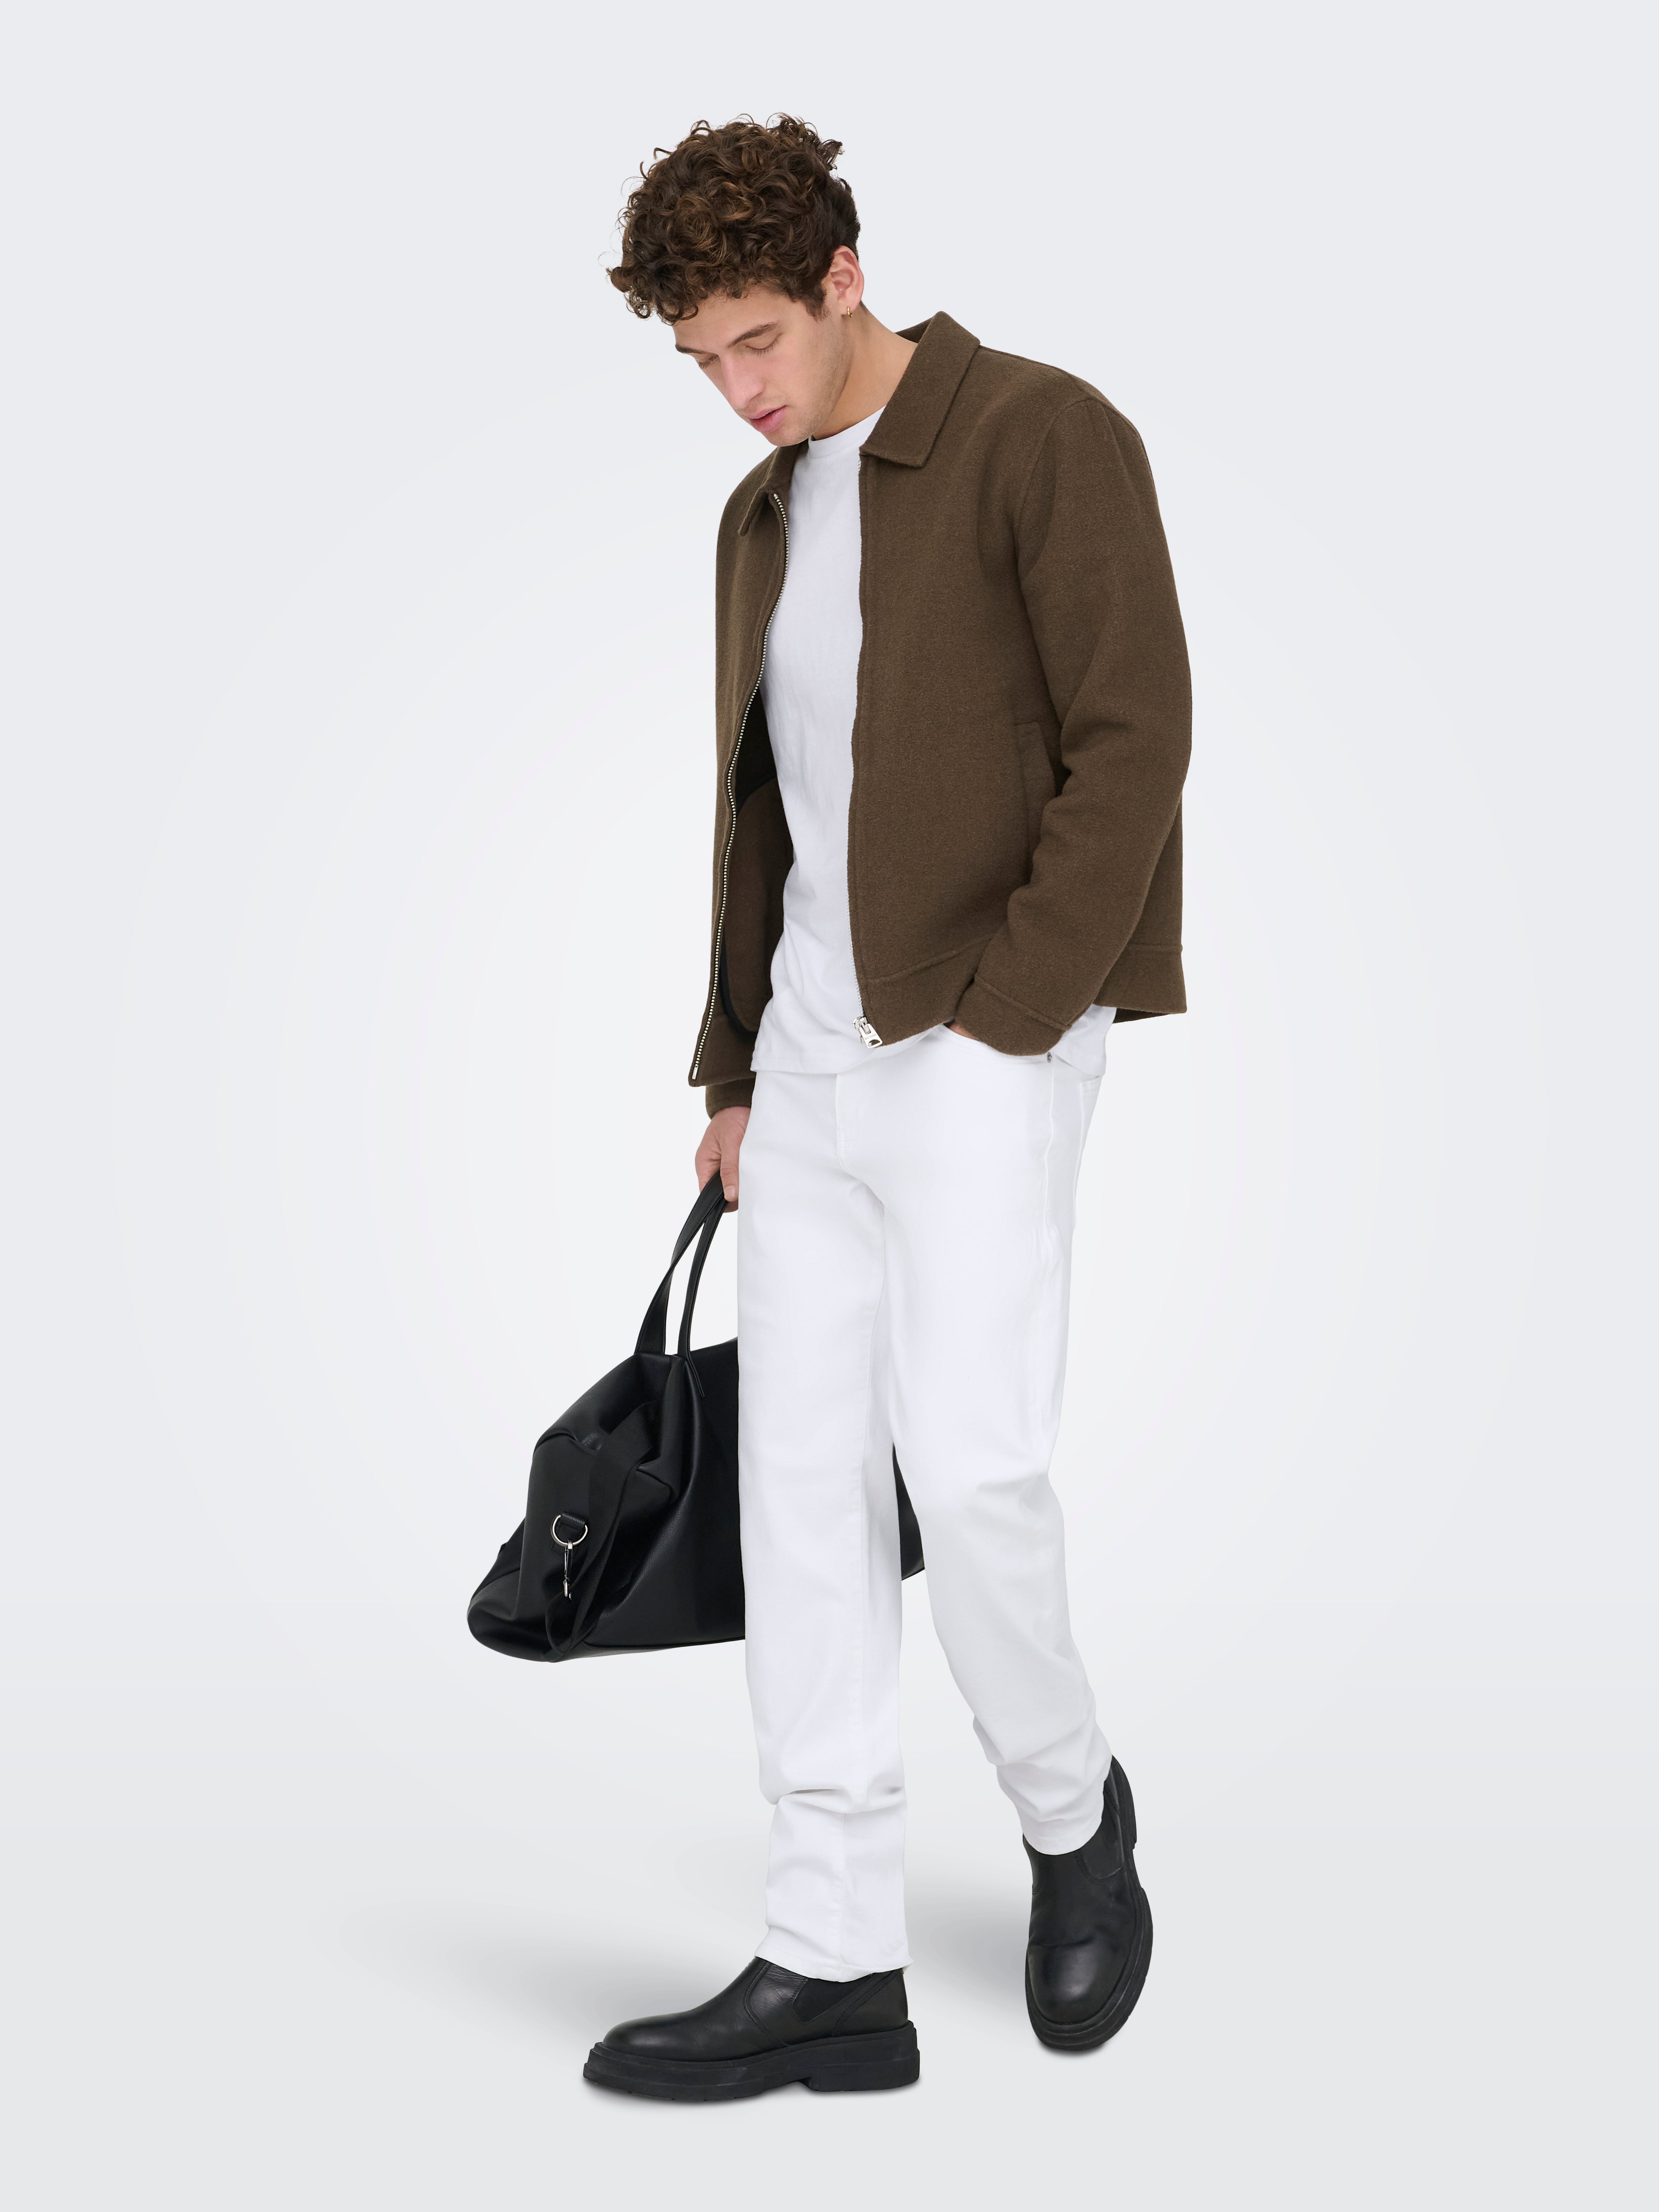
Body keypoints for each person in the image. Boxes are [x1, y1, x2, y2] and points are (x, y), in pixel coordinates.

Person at [582, 115, 1190, 2103]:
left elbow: (1134, 741)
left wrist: (1010, 1021)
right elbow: (760, 818)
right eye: (702, 361)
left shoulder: (1038, 436)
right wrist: (736, 1072)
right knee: (800, 1497)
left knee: (977, 1469)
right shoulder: (758, 518)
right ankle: (831, 1950)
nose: (737, 391)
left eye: (758, 339)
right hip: (810, 1074)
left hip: (977, 1047)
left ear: (845, 276)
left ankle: (1070, 1814)